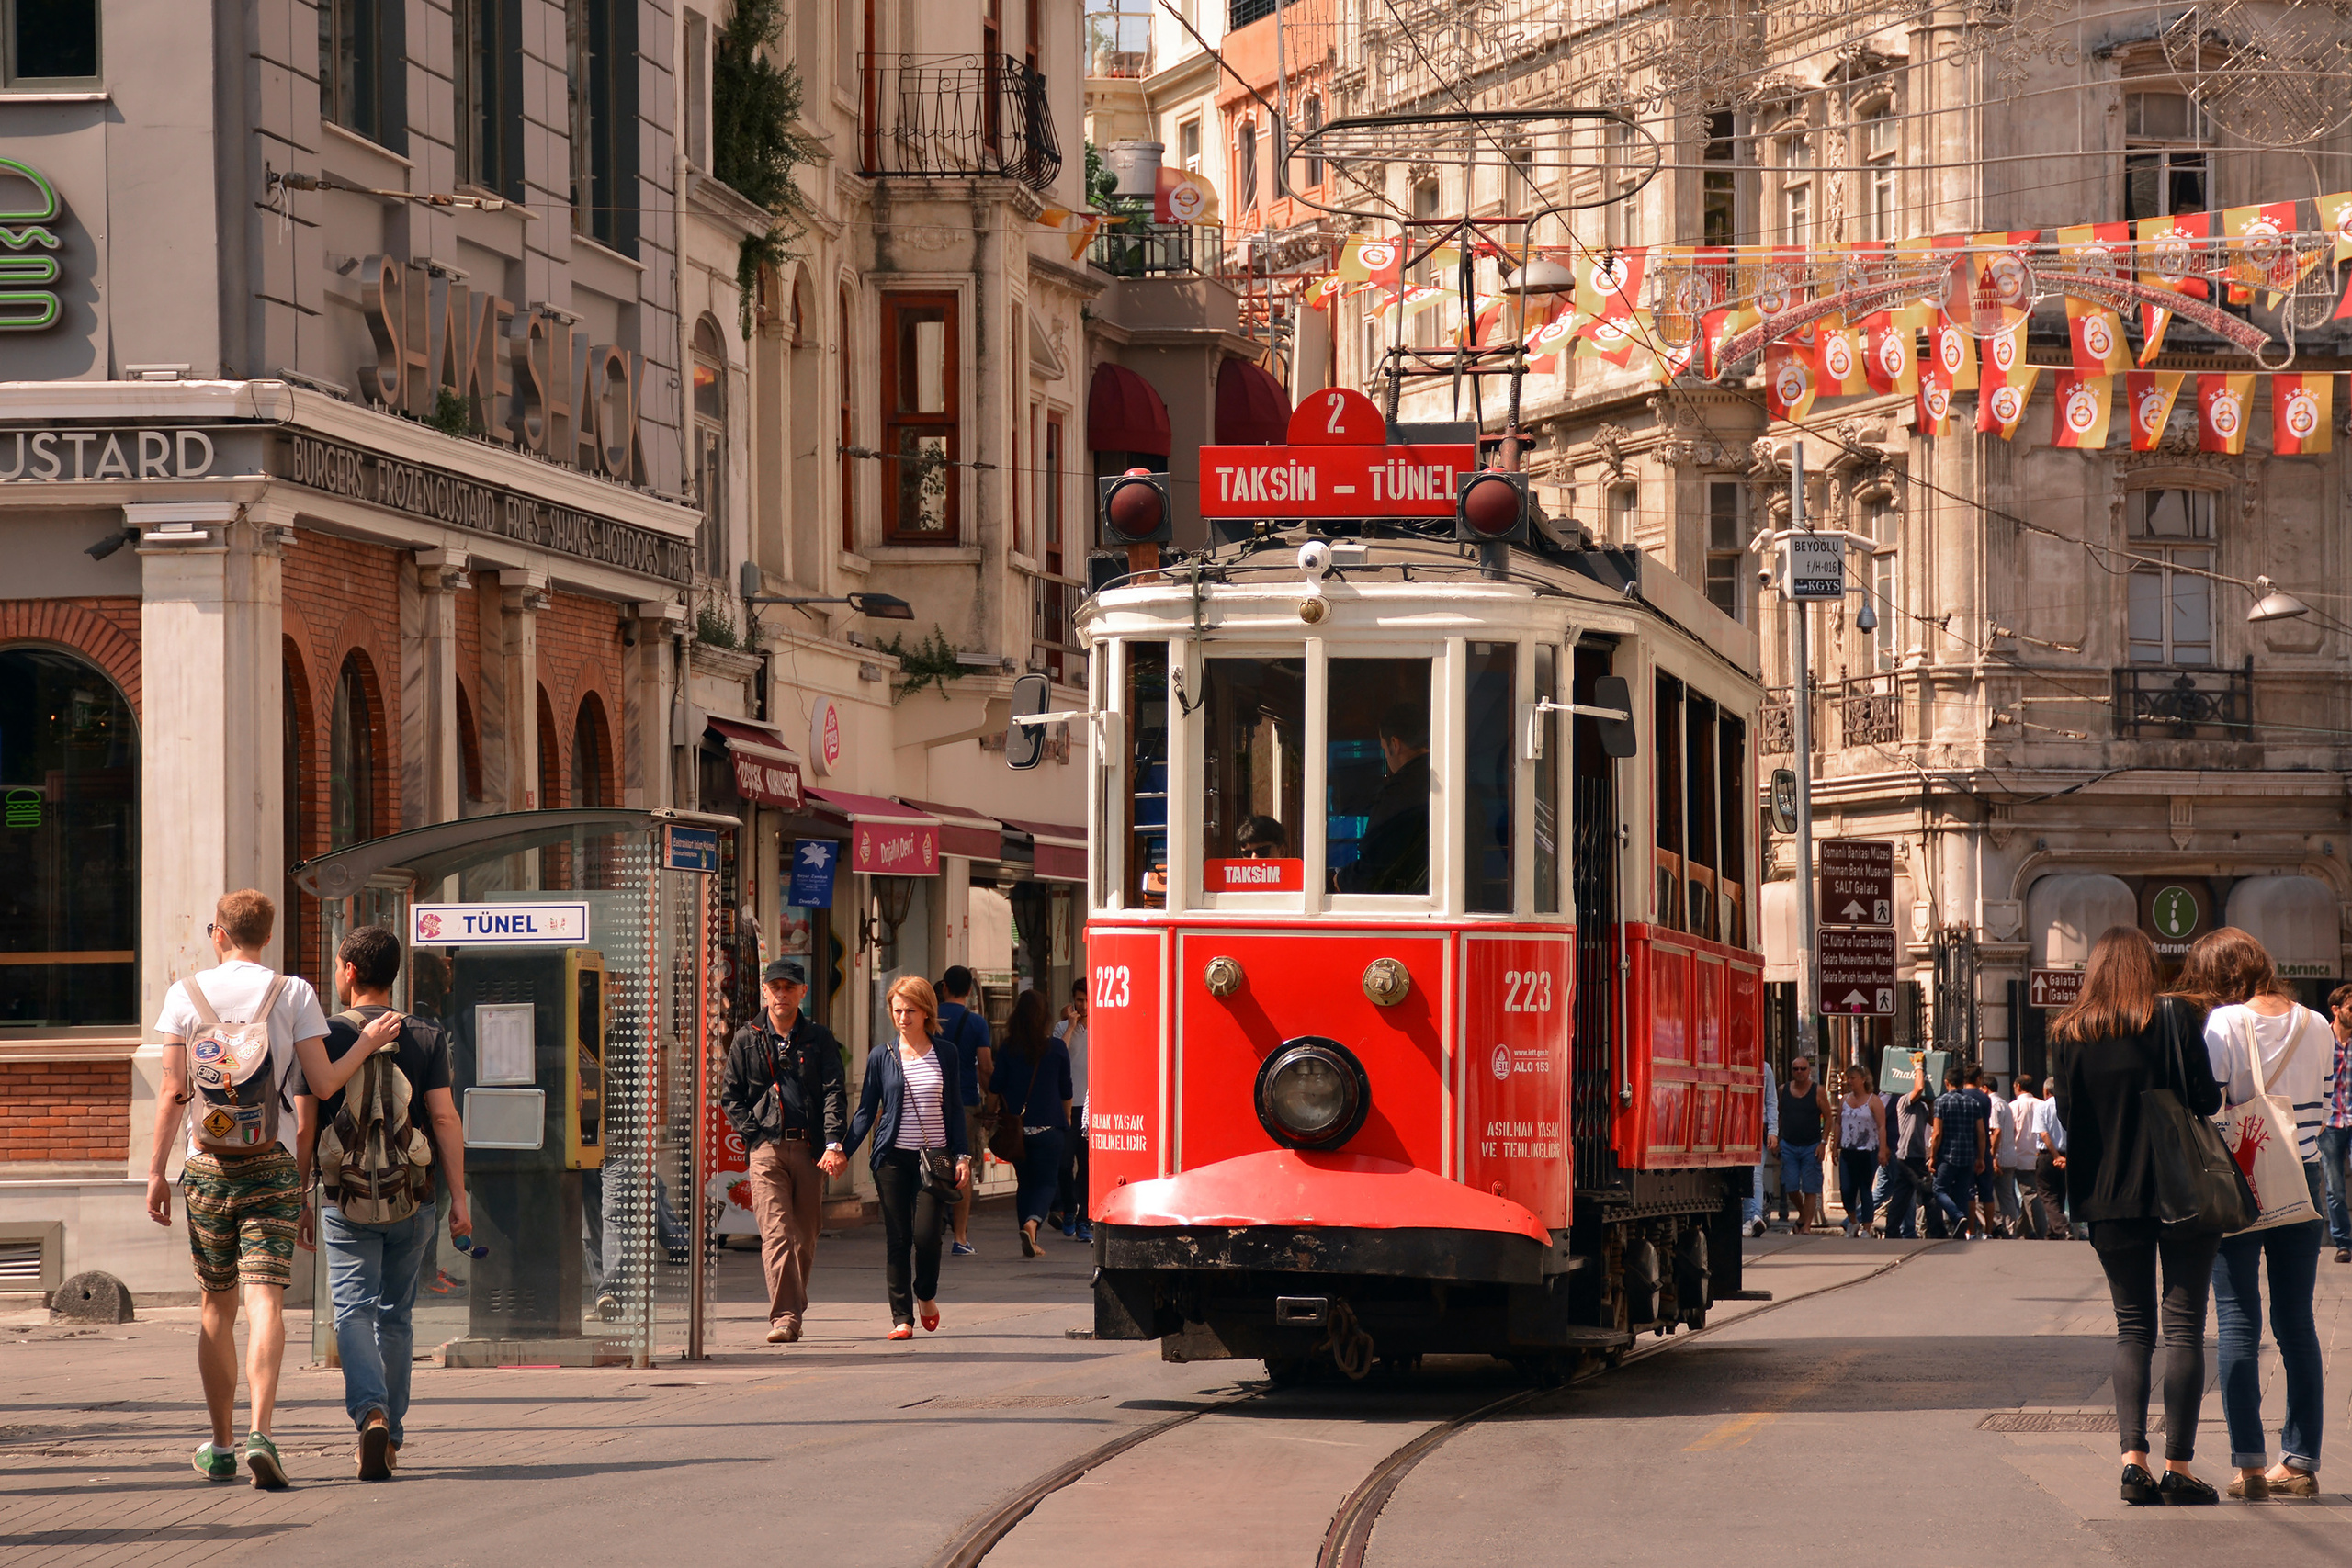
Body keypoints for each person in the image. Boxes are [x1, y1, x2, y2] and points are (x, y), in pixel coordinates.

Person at [144, 890, 400, 1488]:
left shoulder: (185, 995)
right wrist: (365, 1042)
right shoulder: (294, 993)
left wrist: (157, 1170)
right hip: (275, 1162)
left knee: (216, 1304)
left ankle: (223, 1444)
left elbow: (171, 1091)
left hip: (206, 1163)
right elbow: (324, 1079)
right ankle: (262, 1429)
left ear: (219, 933)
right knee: (266, 1301)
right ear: (267, 934)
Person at [2050, 925, 2225, 1506]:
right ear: (2150, 967)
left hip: (2108, 1196)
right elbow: (2206, 1100)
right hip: (2180, 1193)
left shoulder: (2071, 1032)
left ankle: (2133, 1461)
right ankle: (2179, 1465)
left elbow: (2071, 1118)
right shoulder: (2174, 1018)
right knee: (2182, 1329)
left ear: (2095, 970)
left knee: (2132, 1329)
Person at [289, 926, 470, 1481]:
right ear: (395, 975)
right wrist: (459, 1197)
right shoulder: (425, 1035)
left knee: (352, 1310)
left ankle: (368, 1411)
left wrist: (300, 1195)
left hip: (344, 1198)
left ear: (347, 970)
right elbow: (442, 1118)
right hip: (413, 1197)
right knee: (396, 1315)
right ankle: (390, 1431)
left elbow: (303, 1127)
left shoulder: (321, 1036)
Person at [2177, 928, 2334, 1500]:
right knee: (2297, 1321)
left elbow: (2209, 1106)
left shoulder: (2223, 1023)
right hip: (2304, 1176)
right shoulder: (2318, 1023)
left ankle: (2248, 1464)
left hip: (2241, 1178)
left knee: (2239, 1318)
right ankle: (2301, 1461)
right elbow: (2314, 1104)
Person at [717, 958, 848, 1346]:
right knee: (776, 1234)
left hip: (809, 1150)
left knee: (805, 1236)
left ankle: (793, 1304)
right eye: (774, 987)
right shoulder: (747, 1036)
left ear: (802, 992)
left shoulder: (819, 1038)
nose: (781, 994)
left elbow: (833, 1093)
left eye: (789, 987)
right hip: (766, 1150)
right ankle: (786, 1316)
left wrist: (832, 1142)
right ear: (765, 991)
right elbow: (731, 1096)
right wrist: (754, 1136)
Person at [846, 976, 971, 1338]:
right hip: (891, 1160)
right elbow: (866, 1111)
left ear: (926, 1012)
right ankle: (902, 1317)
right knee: (898, 1238)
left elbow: (954, 1108)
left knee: (928, 1236)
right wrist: (840, 1151)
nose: (902, 1017)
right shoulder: (881, 1057)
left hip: (933, 1160)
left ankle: (926, 1294)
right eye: (897, 1010)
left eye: (909, 1011)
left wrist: (962, 1155)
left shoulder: (945, 1053)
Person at [990, 989, 1075, 1258]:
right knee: (1047, 1183)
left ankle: (1029, 1236)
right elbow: (1066, 1089)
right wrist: (1067, 1116)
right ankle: (1033, 1222)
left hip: (1018, 1129)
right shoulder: (1057, 1048)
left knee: (1025, 1183)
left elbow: (995, 1086)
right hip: (1049, 1127)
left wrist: (989, 1113)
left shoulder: (1007, 1048)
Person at [936, 966, 994, 1257]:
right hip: (966, 1102)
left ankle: (930, 1227)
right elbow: (985, 1066)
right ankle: (960, 1237)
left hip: (931, 1101)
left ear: (944, 987)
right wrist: (990, 1102)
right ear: (970, 991)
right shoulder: (976, 1023)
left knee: (931, 1162)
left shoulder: (929, 1017)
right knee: (963, 1166)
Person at [1341, 702, 1430, 894]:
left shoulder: (1399, 795)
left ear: (1395, 744)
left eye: (1383, 747)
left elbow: (1372, 870)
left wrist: (1341, 880)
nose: (1386, 756)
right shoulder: (1456, 785)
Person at [1927, 1065, 1988, 1240]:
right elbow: (1981, 1133)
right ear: (1962, 1083)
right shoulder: (1973, 1102)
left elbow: (1937, 1133)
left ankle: (1956, 1216)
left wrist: (1932, 1156)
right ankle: (1962, 1228)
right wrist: (1981, 1157)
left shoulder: (1941, 1102)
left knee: (1938, 1190)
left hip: (1947, 1154)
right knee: (1962, 1192)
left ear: (1947, 1083)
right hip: (1968, 1155)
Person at [1053, 977, 1091, 1242]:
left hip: (1093, 1106)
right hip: (1068, 1106)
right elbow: (1057, 1055)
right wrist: (1071, 1026)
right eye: (1079, 1000)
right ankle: (1069, 1206)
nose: (1084, 1005)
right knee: (1064, 1164)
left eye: (1088, 1000)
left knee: (1088, 1167)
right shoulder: (1061, 1029)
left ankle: (1083, 1218)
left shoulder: (1107, 1027)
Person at [1776, 1055, 1832, 1233]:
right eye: (1796, 1069)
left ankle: (1806, 1226)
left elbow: (1829, 1118)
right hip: (1789, 1145)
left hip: (1811, 1146)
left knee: (1810, 1187)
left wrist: (1823, 1143)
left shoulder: (1818, 1091)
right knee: (1790, 1185)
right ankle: (1802, 1214)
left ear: (1809, 1071)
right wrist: (1775, 1138)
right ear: (1791, 1071)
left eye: (1803, 1069)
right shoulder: (1783, 1090)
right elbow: (1778, 1115)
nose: (1799, 1072)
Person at [1884, 1066, 1939, 1239]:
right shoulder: (1904, 1101)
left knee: (1901, 1195)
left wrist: (1930, 1101)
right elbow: (1919, 1088)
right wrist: (1918, 1067)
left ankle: (1892, 1231)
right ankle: (1936, 1231)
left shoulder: (1922, 1107)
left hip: (1914, 1155)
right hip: (1908, 1155)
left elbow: (1932, 1121)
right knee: (1928, 1192)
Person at [1836, 1063, 1885, 1238]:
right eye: (1848, 1078)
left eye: (1853, 1078)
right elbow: (1838, 1123)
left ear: (1863, 1080)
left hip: (1867, 1151)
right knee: (1847, 1189)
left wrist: (1882, 1149)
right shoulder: (1845, 1100)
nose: (1850, 1081)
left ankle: (1867, 1227)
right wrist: (1835, 1146)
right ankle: (1853, 1220)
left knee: (1865, 1190)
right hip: (1848, 1150)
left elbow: (1881, 1126)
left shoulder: (1874, 1101)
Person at [2324, 982, 2352, 1266]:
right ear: (2336, 1010)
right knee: (2334, 1188)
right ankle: (2343, 1243)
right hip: (2330, 1122)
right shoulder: (2321, 1040)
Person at [2003, 1073, 2045, 1240]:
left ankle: (2043, 1232)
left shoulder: (2012, 1107)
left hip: (2020, 1157)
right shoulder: (2041, 1105)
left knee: (2030, 1196)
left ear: (2018, 1087)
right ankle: (2022, 1232)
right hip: (2039, 1155)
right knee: (2030, 1196)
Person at [2032, 1085, 2073, 1241]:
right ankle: (2052, 1232)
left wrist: (2055, 1156)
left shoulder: (2042, 1108)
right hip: (2065, 1154)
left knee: (2047, 1194)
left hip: (2048, 1155)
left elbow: (2044, 1134)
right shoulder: (2067, 1107)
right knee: (2060, 1192)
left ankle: (2062, 1228)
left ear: (2046, 1092)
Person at [1972, 1067, 2007, 1237]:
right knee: (1998, 1195)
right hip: (1999, 1153)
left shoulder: (1990, 1103)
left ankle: (1979, 1229)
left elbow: (1996, 1131)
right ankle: (1997, 1229)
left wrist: (1993, 1156)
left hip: (1983, 1153)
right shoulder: (2002, 1103)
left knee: (1975, 1194)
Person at [1746, 1057, 1777, 1237]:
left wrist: (1773, 1131)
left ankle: (1755, 1215)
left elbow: (1771, 1101)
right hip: (1740, 1125)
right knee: (1746, 1174)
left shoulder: (1764, 1067)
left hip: (1758, 1126)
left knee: (1755, 1174)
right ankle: (1749, 1218)